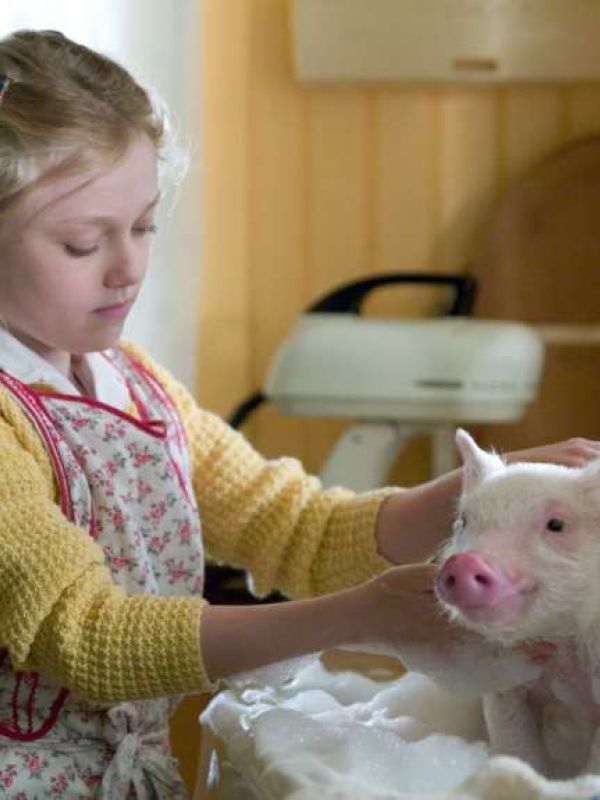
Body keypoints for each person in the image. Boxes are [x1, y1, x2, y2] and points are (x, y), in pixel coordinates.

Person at [0, 28, 597, 799]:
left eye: (145, 225)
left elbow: (297, 529)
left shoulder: (133, 386)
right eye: (83, 244)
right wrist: (359, 618)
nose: (129, 267)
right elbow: (87, 636)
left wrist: (504, 494)